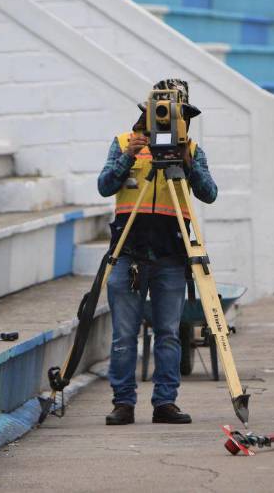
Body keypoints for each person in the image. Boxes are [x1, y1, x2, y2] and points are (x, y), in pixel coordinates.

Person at [97, 79, 218, 425]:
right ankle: (123, 402)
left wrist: (185, 161)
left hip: (170, 257)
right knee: (123, 334)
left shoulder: (191, 150)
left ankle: (165, 402)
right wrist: (128, 157)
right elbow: (105, 186)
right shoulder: (123, 143)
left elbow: (209, 194)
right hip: (129, 253)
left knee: (168, 333)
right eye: (161, 113)